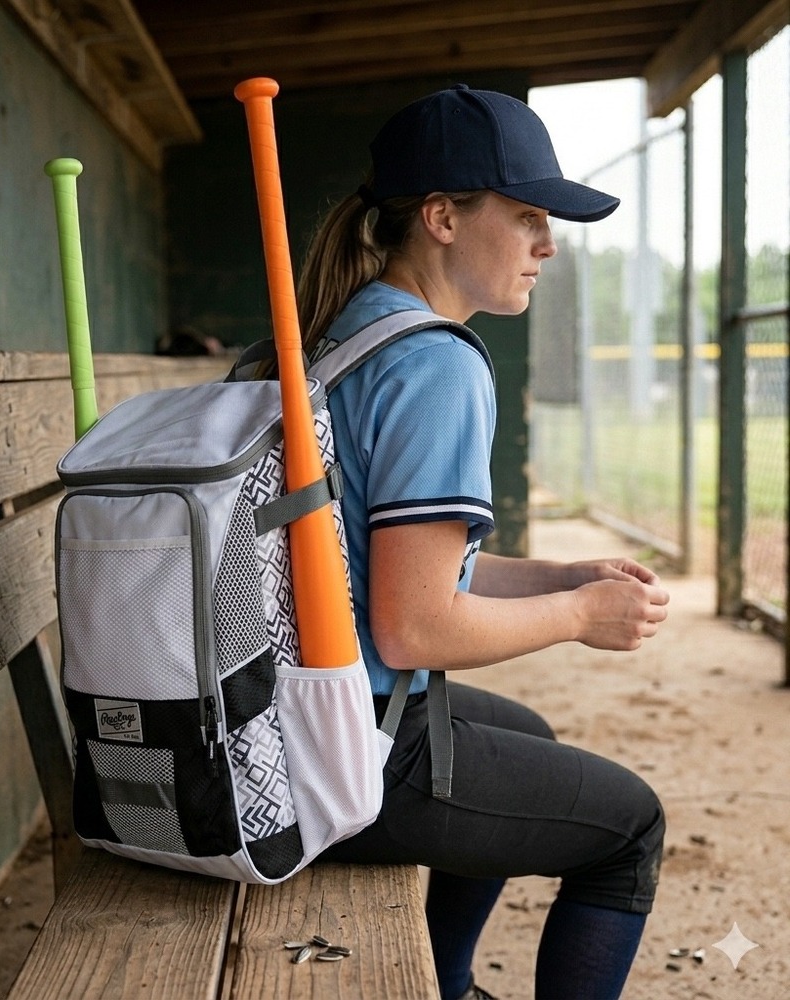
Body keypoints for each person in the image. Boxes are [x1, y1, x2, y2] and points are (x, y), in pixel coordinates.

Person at [304, 85, 670, 1000]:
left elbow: (402, 563)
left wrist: (558, 574)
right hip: (349, 752)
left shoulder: (343, 330)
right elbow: (416, 628)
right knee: (630, 828)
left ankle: (451, 986)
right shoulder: (435, 364)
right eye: (528, 216)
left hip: (293, 711)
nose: (548, 245)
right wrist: (580, 613)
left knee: (528, 735)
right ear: (442, 218)